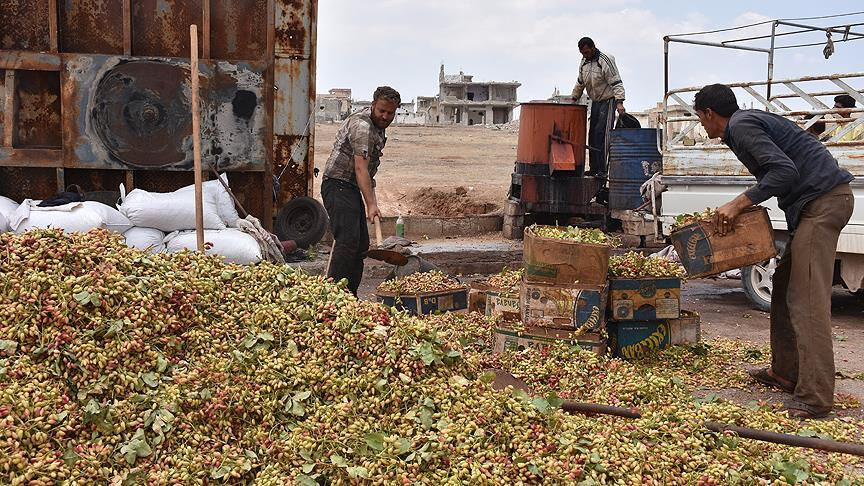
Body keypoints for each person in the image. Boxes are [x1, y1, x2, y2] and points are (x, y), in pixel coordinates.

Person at [693, 84, 854, 418]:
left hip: (823, 203)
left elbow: (783, 171)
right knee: (782, 287)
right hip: (813, 204)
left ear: (710, 113)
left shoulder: (741, 126)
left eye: (700, 118)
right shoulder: (742, 127)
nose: (702, 126)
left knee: (806, 301)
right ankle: (785, 372)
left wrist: (738, 203)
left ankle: (815, 397)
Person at [321, 86, 400, 296]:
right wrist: (371, 204)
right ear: (373, 105)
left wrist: (370, 201)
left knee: (361, 245)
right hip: (337, 184)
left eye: (390, 113)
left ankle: (350, 295)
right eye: (382, 110)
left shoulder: (378, 128)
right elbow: (360, 168)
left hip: (351, 187)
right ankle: (333, 296)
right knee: (347, 241)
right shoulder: (362, 126)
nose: (385, 116)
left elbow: (367, 173)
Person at [571, 37, 626, 177]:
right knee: (593, 135)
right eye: (583, 53)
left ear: (593, 47)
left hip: (608, 101)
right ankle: (594, 168)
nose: (585, 55)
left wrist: (619, 102)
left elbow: (616, 82)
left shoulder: (605, 60)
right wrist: (574, 98)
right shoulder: (584, 62)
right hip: (595, 101)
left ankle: (602, 169)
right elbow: (580, 82)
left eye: (587, 52)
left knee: (602, 134)